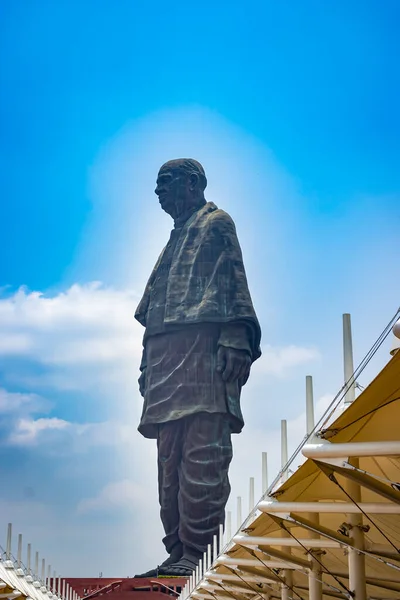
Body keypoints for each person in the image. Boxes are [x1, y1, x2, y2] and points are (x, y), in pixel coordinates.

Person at [135, 159, 261, 577]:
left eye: (166, 183)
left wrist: (236, 337)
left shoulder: (216, 223)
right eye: (157, 186)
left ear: (193, 184)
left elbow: (232, 282)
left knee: (203, 455)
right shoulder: (174, 239)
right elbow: (154, 308)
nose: (159, 192)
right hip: (166, 361)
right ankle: (176, 552)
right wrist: (145, 364)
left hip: (203, 355)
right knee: (168, 462)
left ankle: (197, 552)